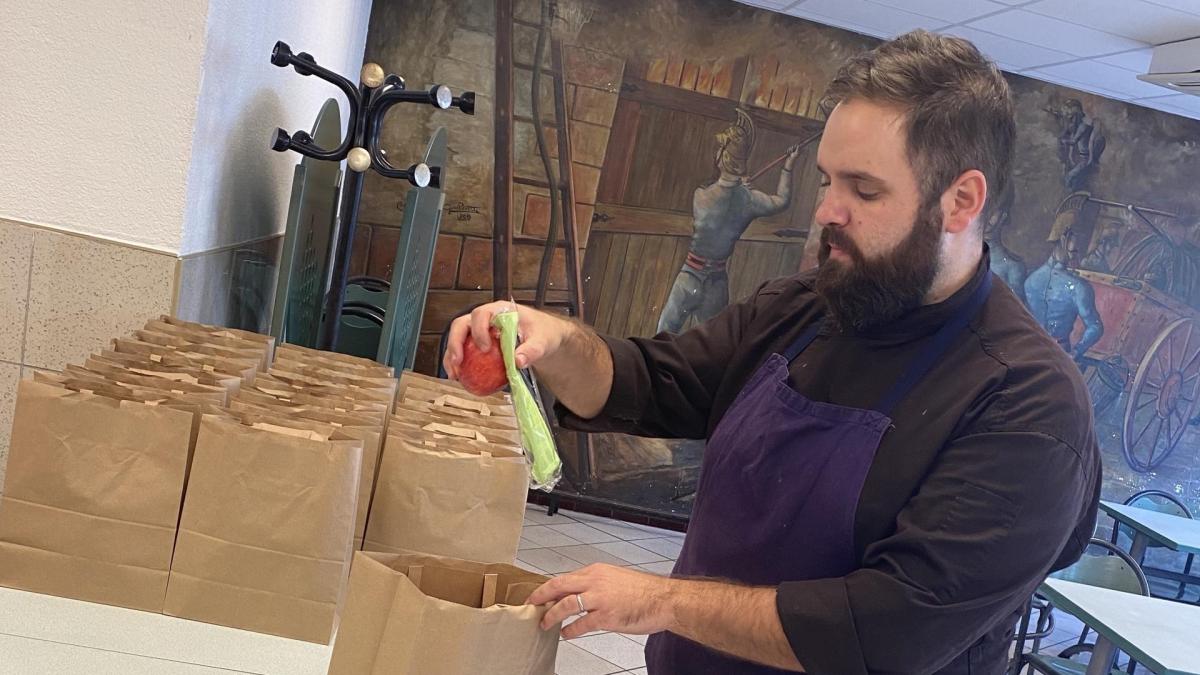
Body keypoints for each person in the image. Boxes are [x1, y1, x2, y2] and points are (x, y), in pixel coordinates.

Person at [445, 30, 1100, 675]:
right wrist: (554, 341)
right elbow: (649, 381)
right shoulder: (805, 307)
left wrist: (664, 600)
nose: (826, 211)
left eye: (863, 189)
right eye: (826, 181)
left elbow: (885, 633)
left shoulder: (1027, 404)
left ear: (961, 201)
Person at [656, 109, 802, 333]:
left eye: (720, 149)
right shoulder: (750, 200)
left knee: (663, 334)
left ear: (723, 158)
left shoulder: (701, 195)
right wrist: (788, 166)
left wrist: (738, 187)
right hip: (717, 284)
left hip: (689, 278)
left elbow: (720, 194)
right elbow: (782, 201)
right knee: (710, 342)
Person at [1025, 211, 1104, 363]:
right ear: (1064, 239)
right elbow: (1095, 327)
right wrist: (1076, 352)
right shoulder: (1079, 287)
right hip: (1058, 359)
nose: (1079, 248)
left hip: (1027, 355)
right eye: (1077, 239)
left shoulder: (1030, 280)